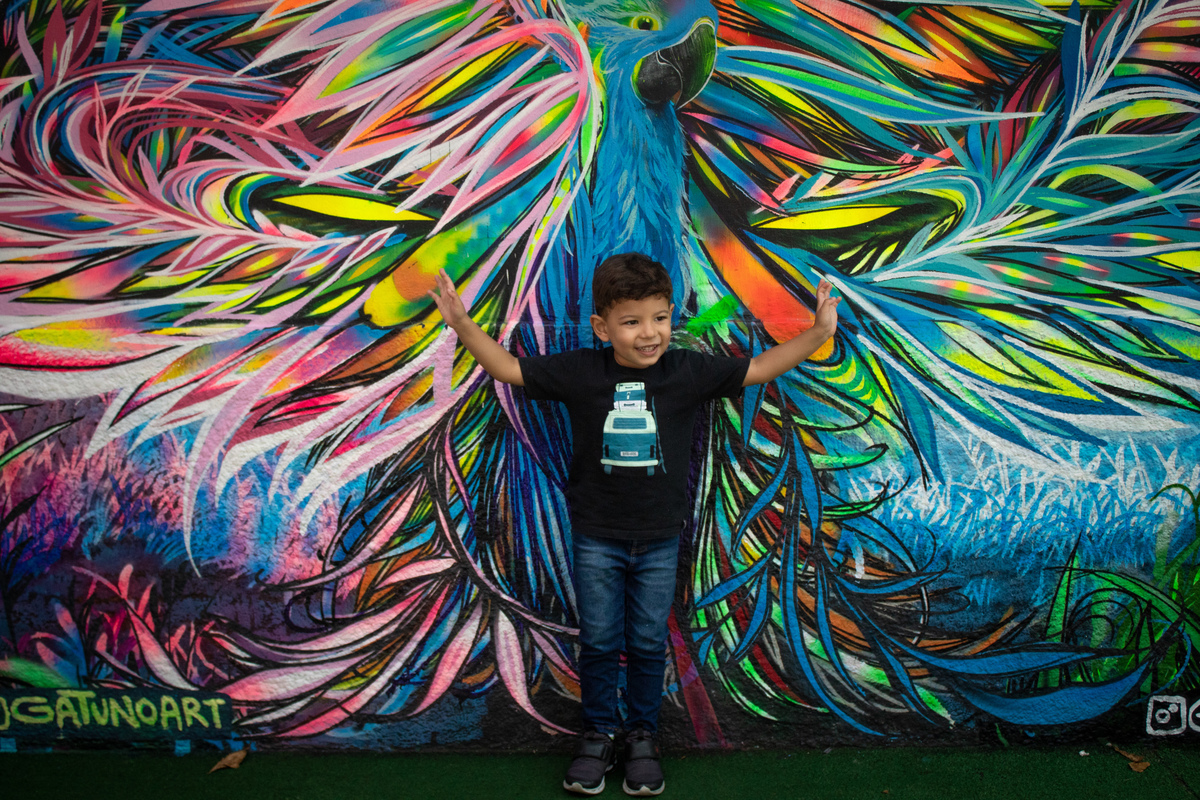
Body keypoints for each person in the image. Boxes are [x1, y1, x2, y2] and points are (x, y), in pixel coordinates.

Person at [428, 253, 840, 796]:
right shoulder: (583, 371)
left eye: (660, 318)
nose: (649, 334)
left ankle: (643, 736)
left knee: (647, 642)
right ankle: (597, 735)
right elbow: (509, 369)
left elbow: (759, 369)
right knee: (599, 641)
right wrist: (462, 324)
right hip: (596, 538)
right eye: (631, 322)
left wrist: (819, 333)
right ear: (602, 328)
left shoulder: (685, 371)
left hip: (661, 540)